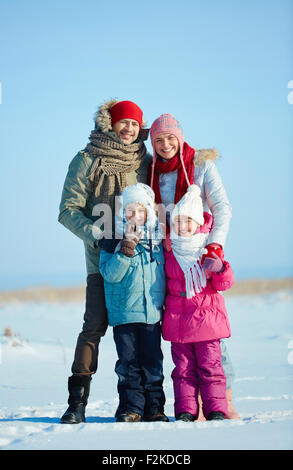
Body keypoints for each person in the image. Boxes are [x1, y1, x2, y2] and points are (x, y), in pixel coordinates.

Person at [58, 99, 152, 424]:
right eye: (123, 122)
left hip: (137, 268)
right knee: (94, 327)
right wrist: (99, 235)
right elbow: (68, 210)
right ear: (109, 123)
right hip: (100, 262)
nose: (128, 129)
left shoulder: (144, 161)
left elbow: (158, 204)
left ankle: (137, 406)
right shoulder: (86, 160)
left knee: (139, 334)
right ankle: (77, 403)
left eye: (134, 124)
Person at [148, 113, 240, 420]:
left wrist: (215, 245)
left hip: (200, 255)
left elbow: (222, 208)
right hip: (168, 256)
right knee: (183, 338)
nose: (164, 145)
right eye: (158, 140)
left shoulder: (200, 165)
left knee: (210, 333)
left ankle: (223, 403)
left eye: (170, 138)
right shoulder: (152, 172)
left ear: (180, 138)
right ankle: (191, 406)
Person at [162, 184, 234, 421]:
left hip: (206, 322)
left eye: (187, 222)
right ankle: (186, 411)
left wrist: (220, 268)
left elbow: (224, 283)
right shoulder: (170, 250)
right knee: (182, 371)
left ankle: (216, 411)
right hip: (179, 321)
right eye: (178, 222)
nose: (183, 227)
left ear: (197, 223)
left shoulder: (207, 249)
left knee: (211, 368)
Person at [99, 183, 168, 422]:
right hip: (124, 315)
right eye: (129, 211)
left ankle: (155, 408)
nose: (135, 216)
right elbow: (110, 274)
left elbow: (164, 276)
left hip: (151, 314)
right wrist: (125, 248)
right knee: (128, 364)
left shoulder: (157, 243)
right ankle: (132, 408)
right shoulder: (112, 241)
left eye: (140, 211)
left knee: (152, 363)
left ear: (148, 213)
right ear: (121, 214)